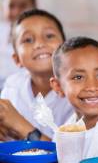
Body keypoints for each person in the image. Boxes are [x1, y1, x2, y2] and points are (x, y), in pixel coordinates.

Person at [0, 9, 73, 141]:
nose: (40, 44)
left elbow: (69, 153)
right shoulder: (12, 87)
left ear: (66, 48)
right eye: (28, 40)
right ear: (17, 59)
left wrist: (19, 125)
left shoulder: (77, 92)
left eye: (49, 36)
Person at [0, 0, 36, 89]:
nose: (16, 12)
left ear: (34, 6)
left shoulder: (42, 37)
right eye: (11, 6)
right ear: (3, 7)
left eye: (23, 6)